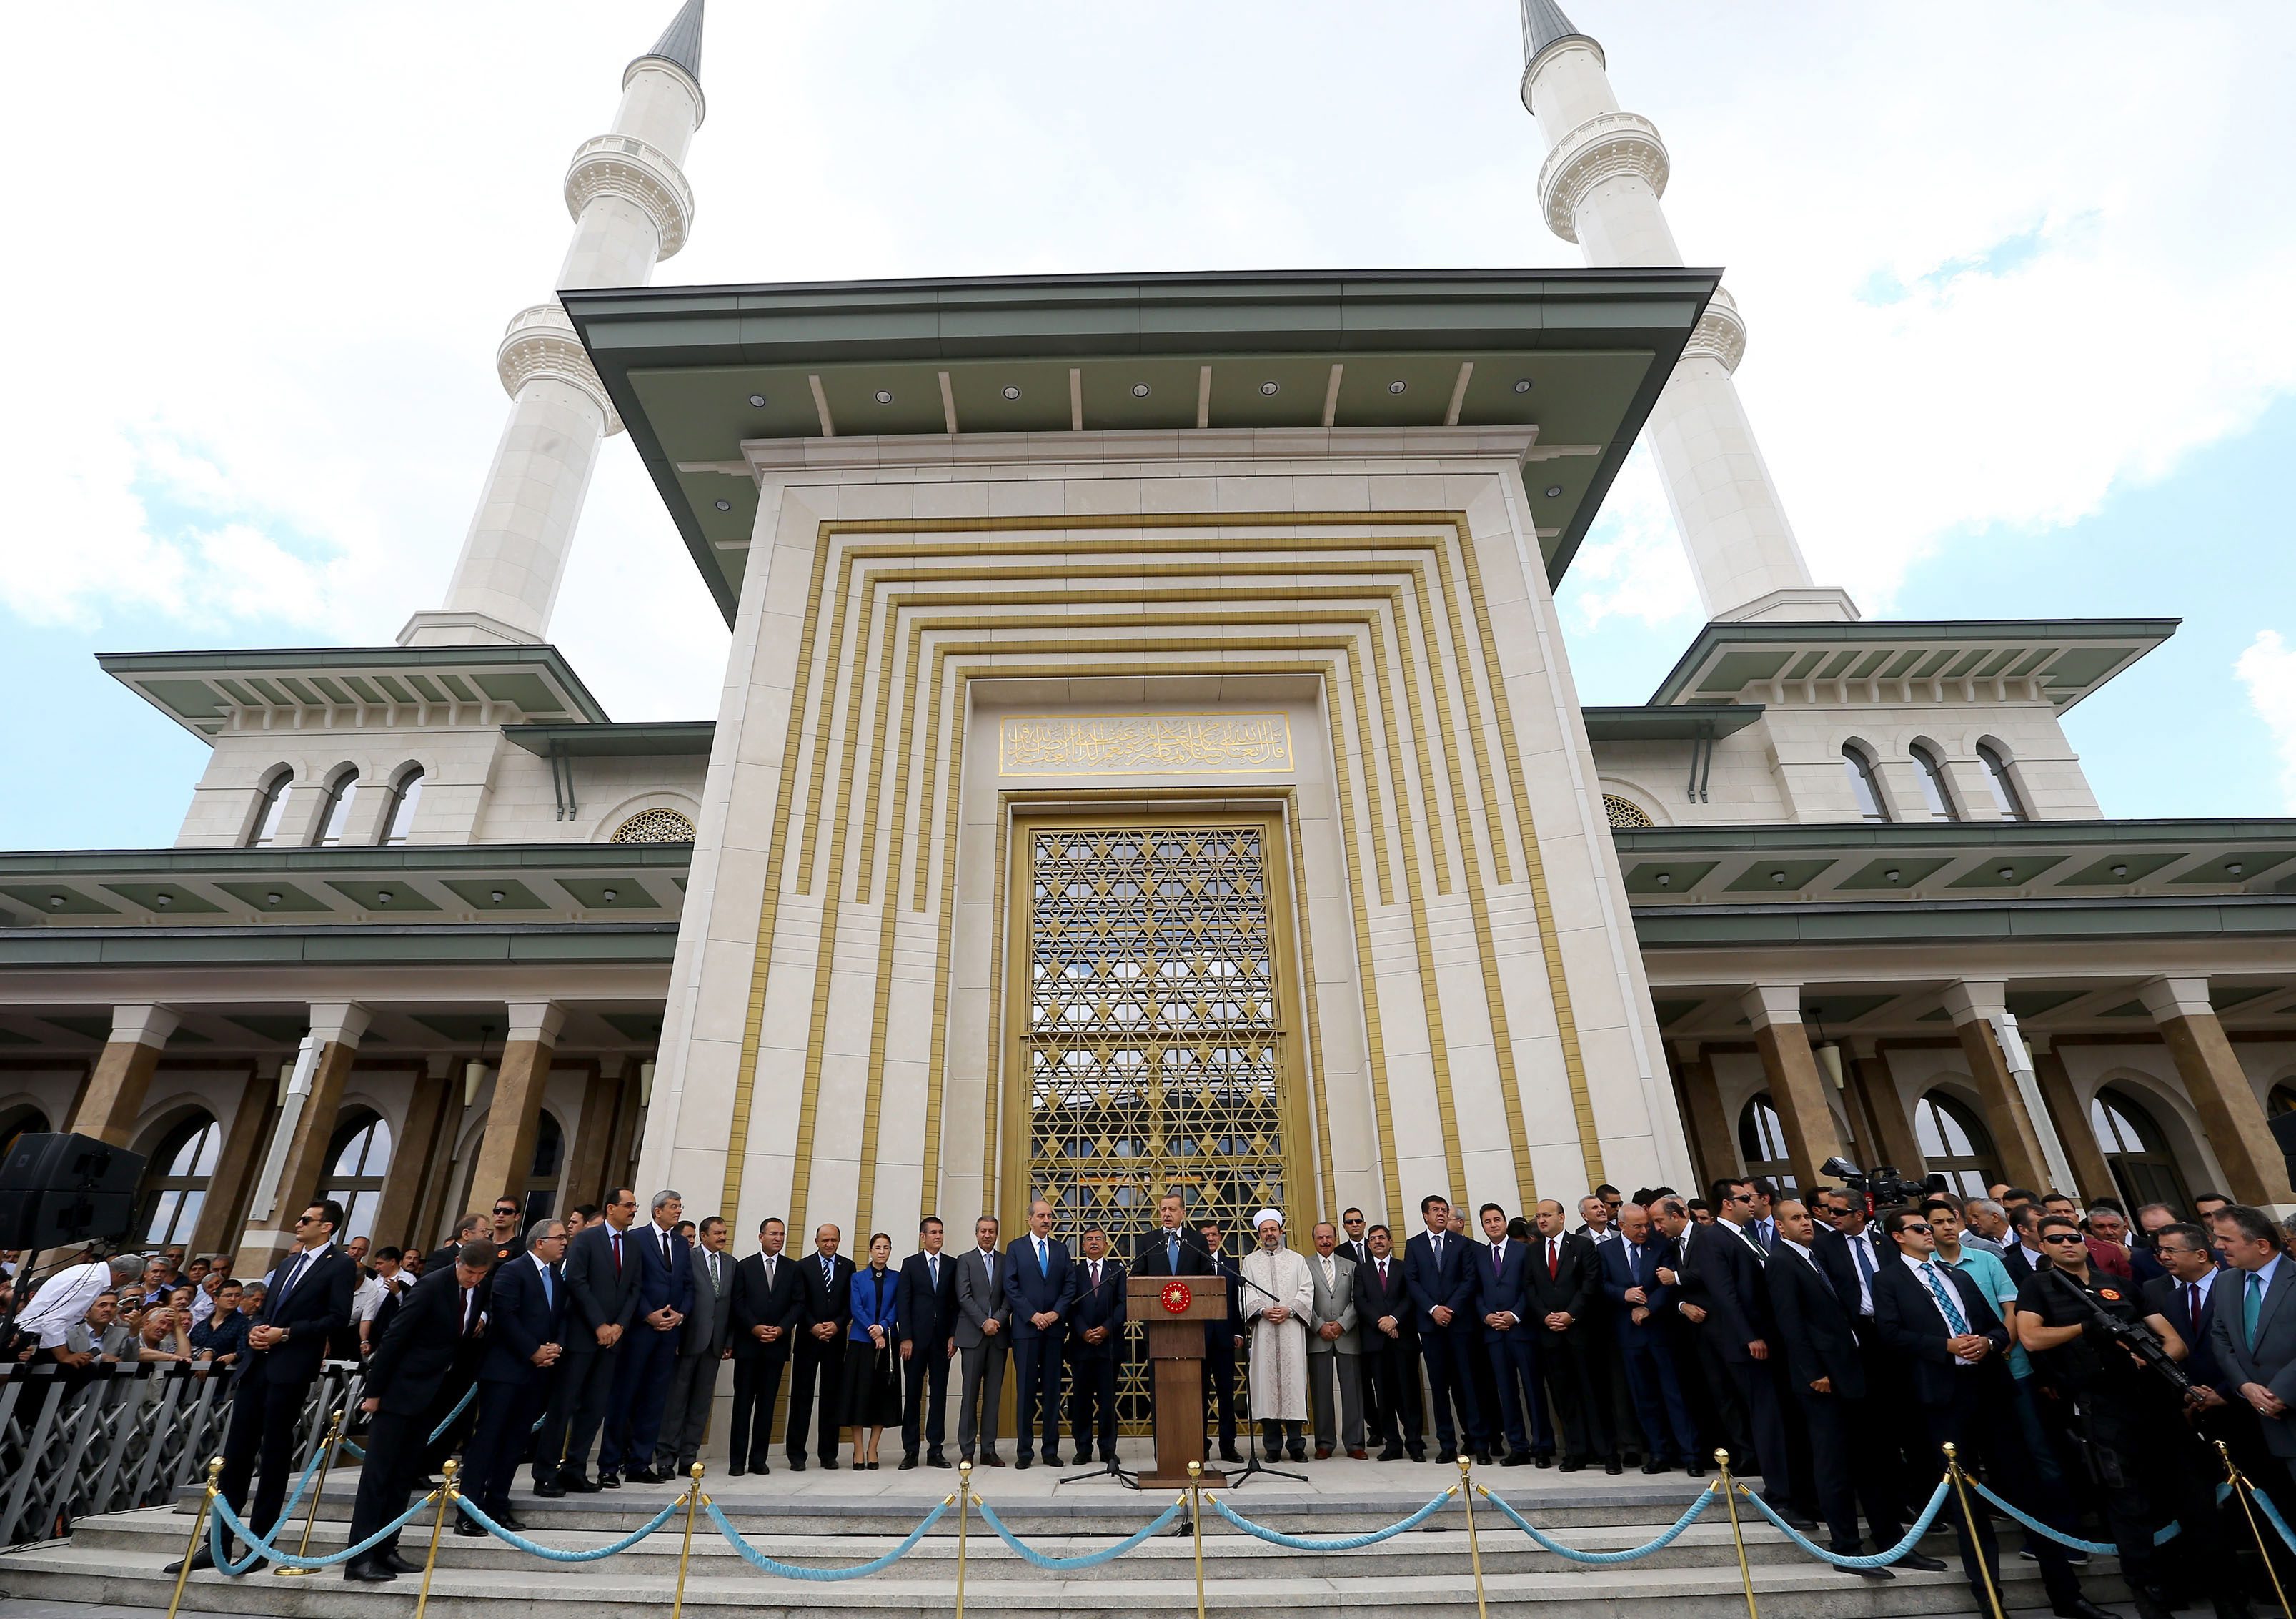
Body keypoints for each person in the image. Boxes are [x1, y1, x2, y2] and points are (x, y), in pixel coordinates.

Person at [1872, 1208, 2105, 1619]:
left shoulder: (1958, 1275)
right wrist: (1944, 1347)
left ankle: (2067, 1595)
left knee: (2028, 1489)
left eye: (1931, 1227)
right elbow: (1889, 1334)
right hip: (1944, 1397)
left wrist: (1990, 1342)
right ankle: (1989, 1599)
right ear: (1897, 1237)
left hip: (1992, 1389)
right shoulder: (1888, 1280)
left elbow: (1998, 1326)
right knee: (1966, 1500)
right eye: (1919, 1229)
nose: (1929, 1233)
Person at [2020, 1212, 2241, 1619]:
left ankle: (2226, 1597)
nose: (2067, 1244)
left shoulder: (2120, 1285)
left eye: (2072, 1237)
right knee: (2129, 1507)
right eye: (2055, 1240)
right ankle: (2151, 1599)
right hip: (2102, 1407)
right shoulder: (2039, 1287)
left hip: (2156, 1401)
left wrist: (2146, 1361)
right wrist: (2085, 1328)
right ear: (2043, 1247)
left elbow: (2173, 1342)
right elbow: (2032, 1337)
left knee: (2196, 1499)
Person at [169, 1202, 357, 1577]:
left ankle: (260, 1543)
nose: (297, 1224)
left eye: (306, 1220)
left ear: (327, 1227)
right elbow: (267, 1311)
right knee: (236, 1455)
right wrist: (258, 1331)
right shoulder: (287, 1264)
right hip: (259, 1366)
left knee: (273, 1457)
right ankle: (216, 1543)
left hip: (291, 1368)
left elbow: (337, 1317)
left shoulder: (340, 1264)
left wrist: (285, 1333)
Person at [1765, 1199, 1935, 1578]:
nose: (1806, 1223)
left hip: (1851, 1372)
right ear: (1779, 1227)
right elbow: (1789, 1323)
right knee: (1834, 1466)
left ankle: (1891, 1543)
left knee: (1873, 1461)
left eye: (1807, 1217)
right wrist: (1813, 1372)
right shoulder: (1782, 1262)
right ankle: (1846, 1548)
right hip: (1823, 1382)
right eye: (1795, 1219)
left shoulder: (1812, 1256)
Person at [342, 1242, 491, 1583]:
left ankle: (386, 1548)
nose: (474, 1279)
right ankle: (359, 1557)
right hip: (398, 1392)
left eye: (481, 1275)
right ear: (458, 1262)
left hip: (431, 1396)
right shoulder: (431, 1286)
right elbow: (395, 1337)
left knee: (403, 1477)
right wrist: (374, 1392)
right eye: (470, 1272)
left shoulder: (477, 1292)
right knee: (379, 1477)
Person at [1679, 1179, 1809, 1525]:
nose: (1752, 1203)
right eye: (1744, 1199)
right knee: (1766, 1418)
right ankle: (1779, 1495)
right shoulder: (1713, 1238)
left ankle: (1797, 1490)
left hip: (1771, 1337)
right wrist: (1750, 1335)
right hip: (1746, 1343)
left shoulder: (1746, 1235)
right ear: (1727, 1203)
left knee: (1781, 1417)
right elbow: (1724, 1293)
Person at [533, 1186, 640, 1497]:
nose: (634, 1210)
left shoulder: (632, 1246)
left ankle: (575, 1468)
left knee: (594, 1408)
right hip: (582, 1337)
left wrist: (619, 1325)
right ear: (611, 1208)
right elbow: (576, 1283)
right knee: (564, 1405)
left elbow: (635, 1288)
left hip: (612, 1341)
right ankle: (545, 1472)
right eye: (629, 1205)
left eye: (635, 1205)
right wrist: (600, 1324)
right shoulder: (586, 1241)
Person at [462, 1219, 565, 1533]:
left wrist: (554, 1347)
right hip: (506, 1371)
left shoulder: (556, 1276)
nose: (564, 1243)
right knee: (489, 1439)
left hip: (537, 1373)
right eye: (558, 1238)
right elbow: (504, 1317)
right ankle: (469, 1510)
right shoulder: (512, 1270)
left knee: (515, 1442)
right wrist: (532, 1350)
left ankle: (497, 1505)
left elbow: (557, 1315)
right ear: (539, 1242)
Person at [1600, 1202, 1699, 1475]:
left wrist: (1648, 1308)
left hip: (1660, 1331)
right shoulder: (1606, 1250)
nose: (1645, 1230)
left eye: (1646, 1224)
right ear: (1621, 1226)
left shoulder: (1661, 1245)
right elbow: (1601, 1284)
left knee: (1674, 1394)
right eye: (1638, 1226)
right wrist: (1624, 1295)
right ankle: (1659, 1453)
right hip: (1629, 1336)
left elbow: (1667, 1287)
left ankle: (1690, 1454)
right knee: (1644, 1397)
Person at [602, 1189, 690, 1485]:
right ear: (657, 1211)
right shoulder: (636, 1239)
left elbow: (688, 1285)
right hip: (640, 1332)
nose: (678, 1212)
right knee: (624, 1397)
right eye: (673, 1207)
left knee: (655, 1400)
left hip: (668, 1335)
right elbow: (629, 1284)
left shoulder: (679, 1243)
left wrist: (680, 1314)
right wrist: (647, 1314)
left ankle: (641, 1463)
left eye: (679, 1207)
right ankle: (610, 1465)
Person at [1525, 1197, 1614, 1471]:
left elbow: (1590, 1284)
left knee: (1592, 1393)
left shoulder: (1581, 1245)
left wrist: (1570, 1314)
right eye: (1538, 1216)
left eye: (1547, 1215)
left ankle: (1607, 1453)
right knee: (1564, 1397)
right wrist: (1544, 1316)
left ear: (1562, 1218)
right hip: (1550, 1334)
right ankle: (1576, 1452)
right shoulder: (1533, 1251)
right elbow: (1530, 1288)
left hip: (1580, 1332)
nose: (1541, 1220)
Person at [2209, 1204, 2296, 1482]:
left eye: (2227, 1239)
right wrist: (2245, 1386)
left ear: (2261, 1245)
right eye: (2216, 1237)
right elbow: (2220, 1337)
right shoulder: (2225, 1282)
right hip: (2266, 1423)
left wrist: (2281, 1391)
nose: (2217, 1245)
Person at [1404, 1194, 1486, 1464]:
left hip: (1459, 1324)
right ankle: (1447, 1444)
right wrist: (1433, 1310)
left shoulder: (1461, 1244)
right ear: (1425, 1216)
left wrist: (1449, 1308)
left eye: (1444, 1210)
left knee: (1469, 1384)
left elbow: (1469, 1280)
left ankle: (1478, 1442)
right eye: (1435, 1210)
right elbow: (1412, 1282)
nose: (1441, 1214)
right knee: (1439, 1388)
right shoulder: (1414, 1245)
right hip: (1431, 1327)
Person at [654, 1213, 734, 1482]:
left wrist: (728, 1341)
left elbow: (730, 1305)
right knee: (675, 1403)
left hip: (714, 1344)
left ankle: (689, 1457)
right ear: (703, 1236)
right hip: (687, 1342)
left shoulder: (731, 1264)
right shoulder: (688, 1258)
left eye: (724, 1233)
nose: (722, 1237)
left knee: (700, 1404)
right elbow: (679, 1298)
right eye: (717, 1233)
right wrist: (675, 1338)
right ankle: (666, 1458)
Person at [728, 1216, 802, 1476]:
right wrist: (755, 1327)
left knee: (767, 1405)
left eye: (782, 1234)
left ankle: (758, 1459)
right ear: (761, 1237)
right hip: (749, 1345)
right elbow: (737, 1303)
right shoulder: (745, 1266)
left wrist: (781, 1329)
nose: (778, 1238)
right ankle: (737, 1461)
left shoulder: (792, 1269)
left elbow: (797, 1305)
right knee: (742, 1404)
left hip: (776, 1346)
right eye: (773, 1234)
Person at [1239, 1209, 1316, 1462]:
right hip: (1265, 1331)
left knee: (1293, 1386)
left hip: (1291, 1329)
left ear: (1281, 1231)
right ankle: (1272, 1446)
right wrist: (1261, 1310)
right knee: (1266, 1385)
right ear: (1259, 1234)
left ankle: (1296, 1445)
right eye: (1264, 1231)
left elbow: (1306, 1289)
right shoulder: (1250, 1262)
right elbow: (1246, 1291)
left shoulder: (1297, 1260)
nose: (1269, 1234)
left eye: (1273, 1229)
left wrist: (1290, 1309)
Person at [1005, 1199, 1075, 1468]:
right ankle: (1024, 1452)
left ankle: (1050, 1450)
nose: (1047, 1220)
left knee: (1052, 1391)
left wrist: (1056, 1313)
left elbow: (1069, 1285)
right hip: (1026, 1330)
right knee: (1025, 1391)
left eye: (1050, 1216)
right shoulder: (1016, 1248)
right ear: (1030, 1220)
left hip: (1054, 1330)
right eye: (1042, 1216)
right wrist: (1032, 1315)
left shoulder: (1060, 1249)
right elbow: (1011, 1286)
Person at [1473, 1201, 1541, 1465]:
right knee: (1507, 1392)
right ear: (1483, 1226)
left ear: (1504, 1221)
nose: (1493, 1225)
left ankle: (1542, 1444)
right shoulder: (1479, 1255)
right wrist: (1486, 1315)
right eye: (1488, 1222)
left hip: (1521, 1330)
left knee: (1533, 1390)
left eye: (1497, 1219)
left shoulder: (1523, 1251)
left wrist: (1515, 1314)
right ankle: (1518, 1446)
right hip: (1494, 1333)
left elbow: (1530, 1287)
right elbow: (1476, 1291)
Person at [788, 1222, 855, 1470]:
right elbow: (798, 1302)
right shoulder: (802, 1267)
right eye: (825, 1240)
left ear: (839, 1241)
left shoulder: (847, 1267)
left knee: (831, 1398)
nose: (829, 1244)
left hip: (835, 1341)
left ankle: (828, 1454)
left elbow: (850, 1303)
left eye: (834, 1240)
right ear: (816, 1241)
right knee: (801, 1397)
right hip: (808, 1340)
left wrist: (837, 1325)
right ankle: (796, 1454)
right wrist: (813, 1326)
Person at [1353, 1223, 1422, 1460]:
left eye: (1382, 1238)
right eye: (1373, 1239)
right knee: (1383, 1395)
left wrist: (1394, 1320)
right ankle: (1393, 1443)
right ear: (1369, 1244)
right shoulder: (1361, 1271)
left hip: (1403, 1340)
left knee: (1409, 1393)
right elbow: (1360, 1301)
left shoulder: (1404, 1268)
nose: (1378, 1242)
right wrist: (1381, 1323)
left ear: (1391, 1242)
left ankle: (1414, 1442)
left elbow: (1410, 1297)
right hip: (1376, 1342)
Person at [895, 1216, 958, 1469]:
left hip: (942, 1340)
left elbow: (955, 1304)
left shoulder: (952, 1265)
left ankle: (935, 1450)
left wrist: (954, 1334)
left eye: (941, 1232)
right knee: (912, 1395)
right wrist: (906, 1337)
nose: (938, 1237)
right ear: (923, 1237)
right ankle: (911, 1450)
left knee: (939, 1395)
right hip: (916, 1341)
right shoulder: (910, 1264)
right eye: (933, 1233)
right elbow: (903, 1302)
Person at [953, 1215, 1011, 1467]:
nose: (987, 1235)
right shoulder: (964, 1260)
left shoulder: (1005, 1261)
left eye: (992, 1231)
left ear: (997, 1234)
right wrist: (983, 1322)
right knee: (969, 1394)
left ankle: (988, 1448)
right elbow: (963, 1296)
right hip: (973, 1336)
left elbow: (1010, 1296)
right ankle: (967, 1449)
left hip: (998, 1336)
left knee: (993, 1395)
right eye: (983, 1231)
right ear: (976, 1233)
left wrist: (996, 1320)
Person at [1067, 1225, 1126, 1466]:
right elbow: (1070, 1304)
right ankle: (1083, 1448)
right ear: (1082, 1246)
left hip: (1109, 1346)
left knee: (1107, 1400)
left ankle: (1107, 1448)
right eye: (1089, 1239)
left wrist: (1106, 1328)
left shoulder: (1117, 1271)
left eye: (1098, 1239)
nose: (1093, 1243)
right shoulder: (1074, 1272)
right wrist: (1083, 1331)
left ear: (1106, 1244)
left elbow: (1124, 1304)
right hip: (1081, 1346)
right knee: (1081, 1400)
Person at [840, 1233, 901, 1469]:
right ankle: (857, 1448)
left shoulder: (896, 1278)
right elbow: (855, 1307)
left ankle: (873, 1447)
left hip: (886, 1343)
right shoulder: (857, 1278)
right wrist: (872, 1330)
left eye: (886, 1247)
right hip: (861, 1341)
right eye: (878, 1247)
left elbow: (897, 1307)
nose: (882, 1252)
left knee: (881, 1396)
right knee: (858, 1394)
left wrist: (883, 1327)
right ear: (870, 1250)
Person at [1303, 1220, 1361, 1460]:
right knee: (1321, 1391)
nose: (1325, 1241)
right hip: (1318, 1336)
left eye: (1329, 1237)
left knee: (1353, 1391)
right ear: (1314, 1240)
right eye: (1320, 1238)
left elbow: (1358, 1299)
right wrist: (1319, 1326)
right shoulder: (1304, 1265)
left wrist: (1342, 1324)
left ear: (1335, 1238)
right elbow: (1303, 1298)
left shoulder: (1351, 1265)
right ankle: (1325, 1442)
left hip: (1347, 1335)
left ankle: (1355, 1443)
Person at [1197, 1218, 1248, 1465]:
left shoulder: (1231, 1266)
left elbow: (1238, 1302)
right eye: (1205, 1235)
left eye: (1214, 1234)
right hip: (1199, 1340)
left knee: (1226, 1394)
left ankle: (1228, 1445)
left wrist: (1239, 1332)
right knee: (1200, 1395)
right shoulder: (1192, 1265)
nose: (1210, 1238)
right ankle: (1201, 1445)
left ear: (1220, 1238)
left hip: (1226, 1339)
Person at [354, 1247, 409, 1356]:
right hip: (369, 1326)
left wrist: (398, 1293)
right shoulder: (376, 1279)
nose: (377, 1267)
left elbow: (411, 1305)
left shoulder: (408, 1279)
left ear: (392, 1262)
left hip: (388, 1329)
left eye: (380, 1263)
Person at [190, 1279, 249, 1370]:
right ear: (216, 1299)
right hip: (193, 1375)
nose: (233, 1299)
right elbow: (189, 1347)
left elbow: (245, 1350)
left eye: (237, 1295)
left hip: (223, 1375)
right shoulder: (201, 1326)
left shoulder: (244, 1323)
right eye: (228, 1295)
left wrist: (234, 1356)